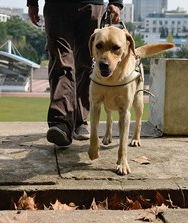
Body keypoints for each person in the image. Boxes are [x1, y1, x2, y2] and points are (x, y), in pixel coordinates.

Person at [28, 0, 122, 146]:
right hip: (57, 6)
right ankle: (61, 123)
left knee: (86, 64)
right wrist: (32, 2)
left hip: (92, 4)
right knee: (61, 62)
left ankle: (80, 121)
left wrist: (116, 2)